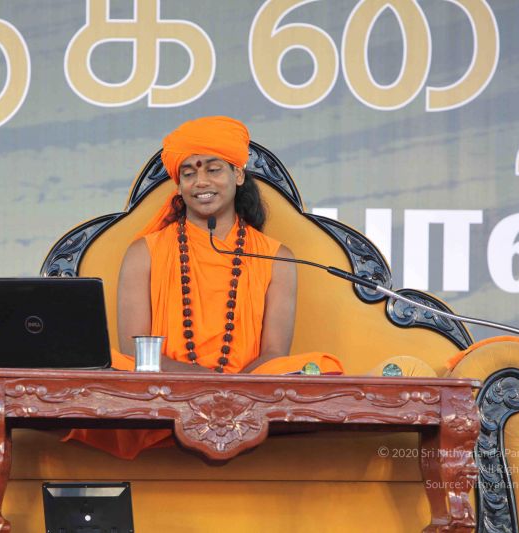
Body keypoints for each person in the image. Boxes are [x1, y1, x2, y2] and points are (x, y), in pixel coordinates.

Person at [63, 116, 344, 457]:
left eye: (213, 169)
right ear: (179, 185)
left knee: (320, 366)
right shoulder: (144, 252)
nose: (201, 182)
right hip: (164, 387)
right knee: (109, 363)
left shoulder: (277, 257)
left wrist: (229, 390)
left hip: (248, 388)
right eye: (189, 173)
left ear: (237, 175)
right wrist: (201, 381)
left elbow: (274, 353)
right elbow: (136, 352)